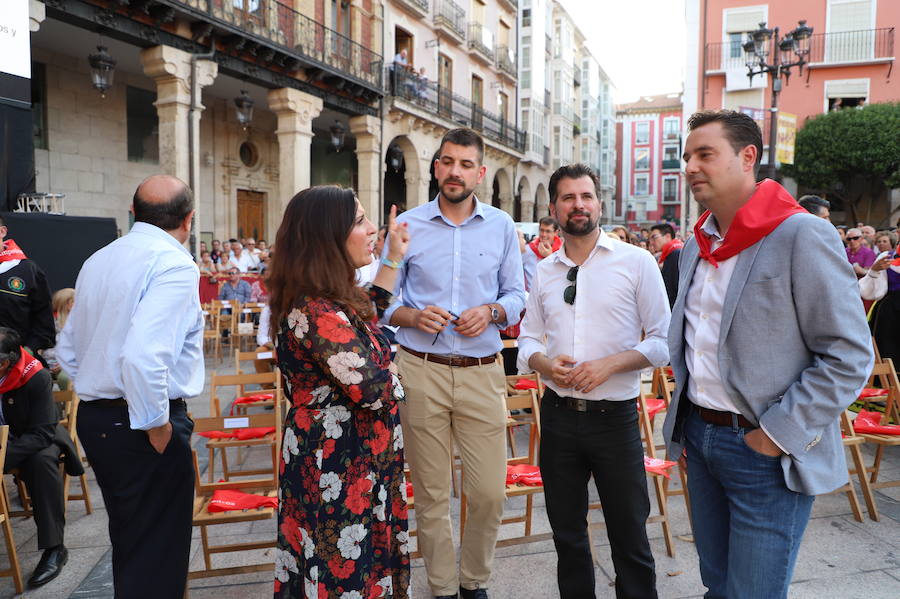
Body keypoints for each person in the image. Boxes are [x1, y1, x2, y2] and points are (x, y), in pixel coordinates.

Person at [662, 110, 873, 599]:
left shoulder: (801, 234)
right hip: (701, 436)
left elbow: (847, 355)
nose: (691, 166)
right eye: (687, 156)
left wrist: (777, 435)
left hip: (762, 449)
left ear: (748, 157)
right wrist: (689, 428)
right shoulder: (696, 244)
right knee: (717, 583)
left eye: (705, 154)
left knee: (753, 591)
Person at [384, 128, 526, 599]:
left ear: (480, 173)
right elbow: (384, 300)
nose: (454, 172)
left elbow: (517, 296)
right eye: (447, 162)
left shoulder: (503, 226)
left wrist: (492, 312)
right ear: (436, 167)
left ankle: (474, 580)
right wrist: (412, 315)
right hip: (419, 367)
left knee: (488, 492)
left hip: (483, 370)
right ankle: (445, 588)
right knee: (431, 493)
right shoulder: (408, 225)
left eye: (466, 164)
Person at [517, 164, 669, 599]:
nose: (578, 205)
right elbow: (527, 338)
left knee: (630, 537)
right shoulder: (546, 270)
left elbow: (664, 341)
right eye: (568, 198)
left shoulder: (636, 262)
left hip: (615, 420)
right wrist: (543, 364)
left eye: (586, 196)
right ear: (554, 208)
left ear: (600, 203)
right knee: (567, 537)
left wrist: (610, 365)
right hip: (559, 418)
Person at [57, 174, 203, 598]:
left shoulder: (98, 260)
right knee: (157, 550)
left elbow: (68, 348)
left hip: (102, 417)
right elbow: (144, 355)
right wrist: (157, 425)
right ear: (188, 220)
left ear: (133, 212)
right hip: (141, 420)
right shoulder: (174, 262)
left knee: (133, 540)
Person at [267, 185, 411, 598]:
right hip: (339, 469)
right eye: (360, 221)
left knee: (359, 568)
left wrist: (393, 258)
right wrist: (400, 364)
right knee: (346, 573)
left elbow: (369, 311)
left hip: (354, 466)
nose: (372, 230)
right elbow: (373, 388)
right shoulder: (314, 309)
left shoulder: (329, 300)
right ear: (328, 236)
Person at [0, 327, 82, 588]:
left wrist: (4, 456)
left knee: (41, 462)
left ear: (5, 362)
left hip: (34, 435)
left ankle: (54, 548)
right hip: (5, 439)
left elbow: (43, 432)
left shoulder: (36, 376)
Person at [0, 215, 55, 357]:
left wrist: (28, 352)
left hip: (16, 362)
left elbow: (44, 323)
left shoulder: (28, 270)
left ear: (2, 232)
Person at [43, 288, 75, 391]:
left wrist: (63, 364)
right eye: (75, 301)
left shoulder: (78, 323)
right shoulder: (47, 322)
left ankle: (69, 406)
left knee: (64, 378)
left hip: (68, 364)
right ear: (66, 303)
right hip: (47, 363)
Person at [649, 223, 683, 308]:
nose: (651, 242)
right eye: (650, 239)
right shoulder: (667, 254)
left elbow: (675, 288)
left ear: (667, 236)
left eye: (654, 237)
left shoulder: (675, 253)